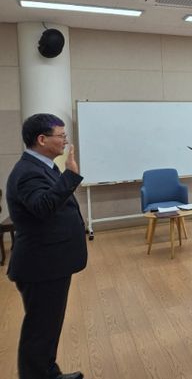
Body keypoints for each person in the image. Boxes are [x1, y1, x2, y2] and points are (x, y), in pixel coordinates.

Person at [5, 113, 87, 379]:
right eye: (61, 136)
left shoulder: (42, 166)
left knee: (47, 327)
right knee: (40, 330)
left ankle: (47, 372)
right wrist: (70, 176)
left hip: (50, 261)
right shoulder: (28, 172)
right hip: (42, 264)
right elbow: (42, 207)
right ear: (42, 139)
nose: (65, 140)